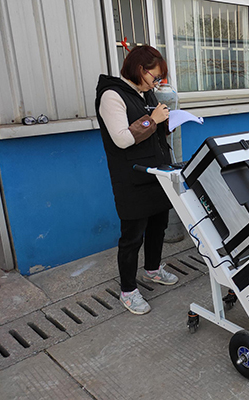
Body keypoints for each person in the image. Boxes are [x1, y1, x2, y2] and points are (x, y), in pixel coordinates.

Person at [95, 45, 179, 315]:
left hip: (157, 173)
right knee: (132, 237)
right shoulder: (112, 95)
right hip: (132, 178)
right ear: (140, 70)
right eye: (155, 76)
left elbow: (152, 131)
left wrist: (166, 121)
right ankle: (128, 291)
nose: (156, 82)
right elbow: (121, 138)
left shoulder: (146, 93)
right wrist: (152, 120)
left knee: (158, 226)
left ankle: (153, 269)